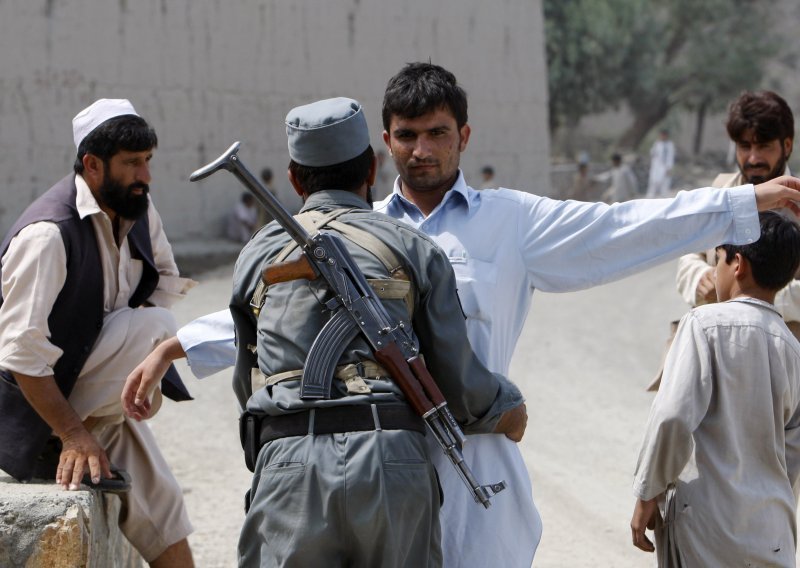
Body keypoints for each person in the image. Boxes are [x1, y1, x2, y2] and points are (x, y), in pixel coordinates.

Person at [126, 64, 800, 567]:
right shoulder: (347, 232)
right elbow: (276, 314)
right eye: (408, 135)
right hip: (381, 472)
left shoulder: (514, 222)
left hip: (479, 478)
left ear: (464, 136)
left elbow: (625, 226)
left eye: (438, 134)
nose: (423, 150)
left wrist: (743, 208)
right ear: (382, 145)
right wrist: (173, 349)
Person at [125, 97, 527, 567]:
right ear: (372, 170)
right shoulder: (413, 248)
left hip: (289, 459)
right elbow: (455, 381)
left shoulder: (256, 256)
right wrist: (505, 407)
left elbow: (247, 378)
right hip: (391, 462)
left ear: (295, 179)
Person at [0, 99, 196, 566]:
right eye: (131, 163)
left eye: (147, 161)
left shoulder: (139, 211)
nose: (144, 175)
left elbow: (164, 282)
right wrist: (71, 433)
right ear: (92, 165)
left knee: (161, 503)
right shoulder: (48, 234)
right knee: (158, 330)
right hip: (30, 410)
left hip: (87, 397)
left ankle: (90, 429)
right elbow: (19, 355)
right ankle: (59, 445)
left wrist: (126, 379)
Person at [631, 211, 800, 566]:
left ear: (737, 264)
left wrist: (647, 493)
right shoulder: (793, 347)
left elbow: (672, 416)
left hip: (704, 526)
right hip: (771, 533)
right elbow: (792, 452)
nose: (716, 270)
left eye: (719, 259)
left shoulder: (703, 325)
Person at [649, 91, 800, 391]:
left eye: (764, 147)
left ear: (787, 146)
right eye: (745, 146)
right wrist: (703, 278)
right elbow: (689, 256)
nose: (753, 158)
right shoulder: (721, 192)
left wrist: (747, 292)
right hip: (716, 358)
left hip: (784, 364)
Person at [645, 128, 675, 198]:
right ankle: (650, 198)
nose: (663, 136)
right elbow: (652, 153)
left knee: (664, 184)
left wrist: (669, 168)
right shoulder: (657, 143)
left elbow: (670, 157)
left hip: (665, 167)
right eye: (661, 135)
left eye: (664, 135)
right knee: (653, 182)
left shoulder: (670, 145)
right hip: (656, 167)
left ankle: (663, 198)